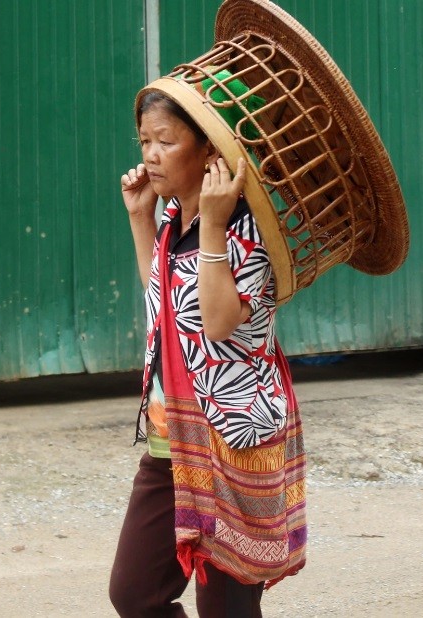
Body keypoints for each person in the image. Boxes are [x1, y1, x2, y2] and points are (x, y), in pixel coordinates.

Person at [109, 75, 306, 617]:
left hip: (233, 440)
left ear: (209, 151)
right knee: (136, 594)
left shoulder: (248, 230)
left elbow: (217, 322)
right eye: (144, 141)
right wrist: (140, 217)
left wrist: (216, 224)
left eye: (166, 141)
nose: (151, 155)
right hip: (172, 437)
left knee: (226, 606)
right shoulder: (174, 217)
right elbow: (164, 306)